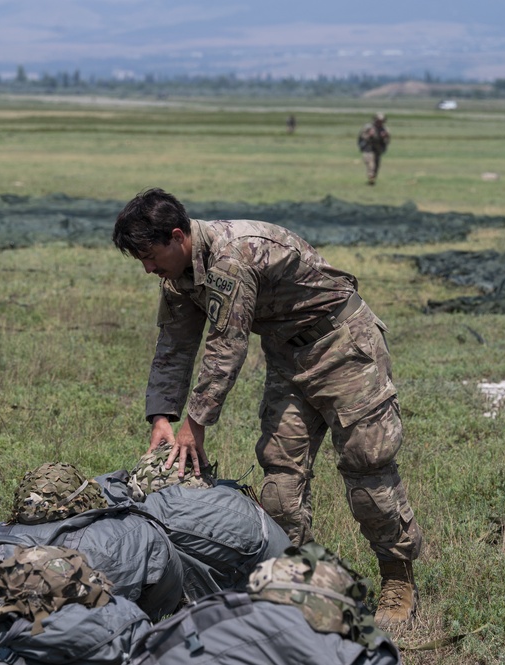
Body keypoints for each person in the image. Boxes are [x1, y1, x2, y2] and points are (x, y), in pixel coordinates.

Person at [111, 188, 423, 629]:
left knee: (366, 468)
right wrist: (163, 417)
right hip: (287, 356)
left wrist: (195, 426)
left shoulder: (231, 258)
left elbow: (226, 347)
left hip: (343, 347)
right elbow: (174, 344)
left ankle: (398, 579)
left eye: (149, 256)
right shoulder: (178, 271)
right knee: (280, 477)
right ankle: (304, 582)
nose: (147, 268)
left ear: (177, 236)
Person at [357, 113, 391, 185]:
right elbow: (361, 137)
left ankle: (372, 179)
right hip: (368, 149)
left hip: (378, 150)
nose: (380, 122)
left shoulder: (385, 130)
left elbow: (387, 142)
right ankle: (371, 178)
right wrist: (369, 135)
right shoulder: (368, 128)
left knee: (376, 165)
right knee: (370, 164)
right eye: (378, 121)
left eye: (382, 121)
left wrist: (385, 137)